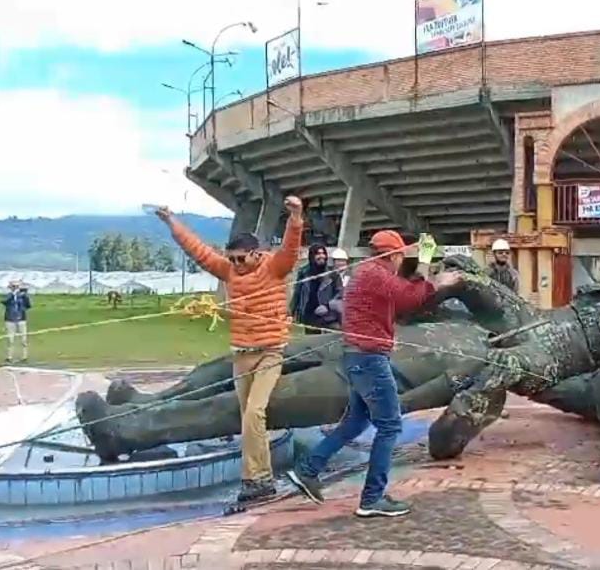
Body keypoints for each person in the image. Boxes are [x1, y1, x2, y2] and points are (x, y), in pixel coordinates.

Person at [286, 230, 461, 518]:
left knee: (355, 423)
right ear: (394, 255)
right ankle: (372, 498)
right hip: (369, 359)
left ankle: (308, 469)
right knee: (390, 426)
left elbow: (397, 300)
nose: (401, 261)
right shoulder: (377, 275)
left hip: (359, 357)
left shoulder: (368, 273)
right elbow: (412, 298)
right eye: (400, 256)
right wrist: (433, 275)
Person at [155, 195, 304, 504]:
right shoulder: (229, 271)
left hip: (270, 353)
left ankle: (258, 480)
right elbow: (198, 251)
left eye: (240, 259)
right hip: (241, 355)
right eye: (231, 259)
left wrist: (295, 217)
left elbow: (291, 249)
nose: (235, 265)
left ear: (256, 254)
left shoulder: (275, 267)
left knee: (255, 413)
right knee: (247, 418)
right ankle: (258, 477)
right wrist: (172, 222)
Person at [290, 244, 343, 334]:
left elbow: (340, 294)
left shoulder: (333, 274)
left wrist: (327, 306)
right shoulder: (303, 272)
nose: (321, 256)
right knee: (312, 340)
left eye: (323, 253)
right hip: (309, 316)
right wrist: (291, 313)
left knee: (330, 339)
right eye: (318, 254)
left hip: (328, 316)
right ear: (312, 256)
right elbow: (297, 293)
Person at [2, 281, 32, 363]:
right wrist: (13, 295)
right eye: (13, 286)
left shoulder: (23, 296)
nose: (15, 288)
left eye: (16, 286)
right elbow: (4, 301)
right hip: (10, 319)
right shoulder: (8, 295)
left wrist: (24, 297)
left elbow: (28, 305)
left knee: (23, 339)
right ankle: (9, 356)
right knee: (10, 339)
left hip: (21, 319)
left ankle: (24, 356)